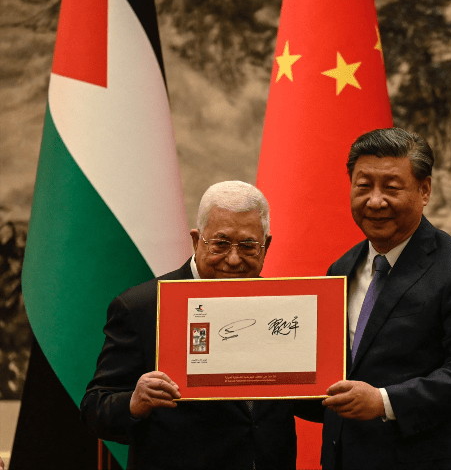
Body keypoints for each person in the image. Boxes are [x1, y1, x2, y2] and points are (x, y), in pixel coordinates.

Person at [81, 181, 319, 470]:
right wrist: (134, 401)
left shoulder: (285, 309)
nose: (233, 259)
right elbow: (95, 408)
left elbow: (304, 401)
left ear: (266, 245)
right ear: (196, 240)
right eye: (220, 244)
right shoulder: (142, 307)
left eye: (247, 246)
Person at [320, 128, 451, 469]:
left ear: (424, 191)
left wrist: (383, 401)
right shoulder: (341, 268)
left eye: (391, 187)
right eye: (363, 186)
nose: (375, 201)